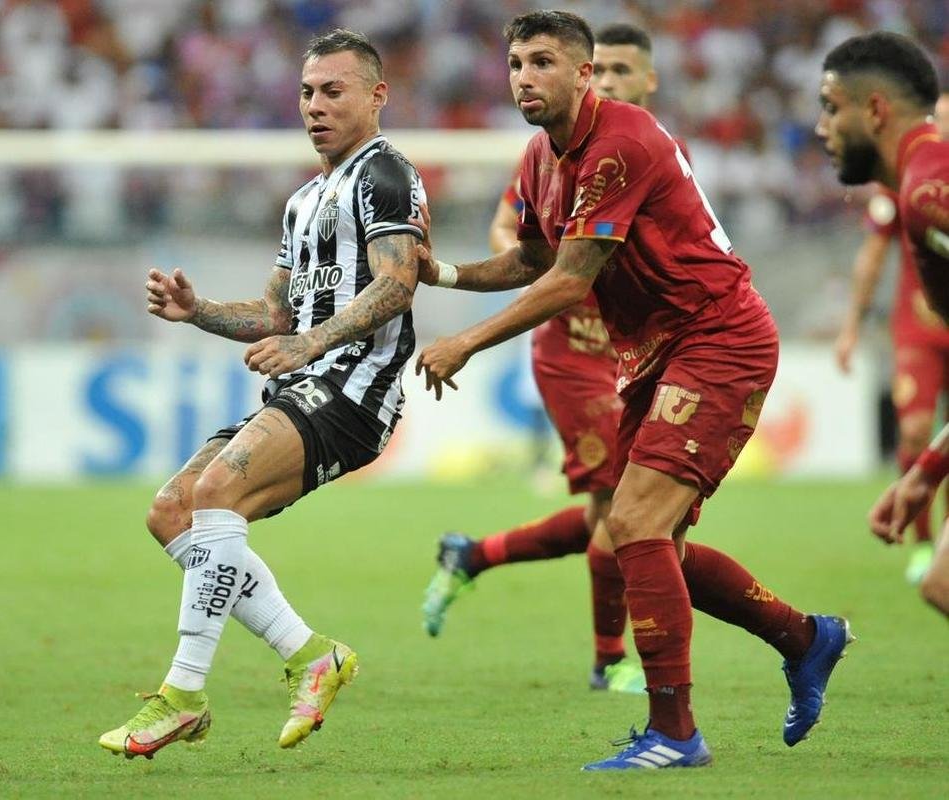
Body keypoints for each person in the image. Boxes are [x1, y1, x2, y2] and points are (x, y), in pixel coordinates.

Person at [414, 10, 851, 770]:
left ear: (584, 72)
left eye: (543, 61)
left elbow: (570, 280)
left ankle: (675, 732)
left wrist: (465, 342)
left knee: (634, 523)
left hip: (717, 336)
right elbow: (532, 258)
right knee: (648, 543)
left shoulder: (621, 142)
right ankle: (805, 637)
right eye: (516, 63)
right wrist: (445, 274)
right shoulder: (538, 156)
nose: (524, 77)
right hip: (654, 354)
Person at [98, 29, 426, 760]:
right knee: (172, 511)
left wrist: (312, 344)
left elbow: (398, 283)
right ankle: (312, 655)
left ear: (376, 96)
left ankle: (182, 696)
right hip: (301, 383)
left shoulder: (385, 175)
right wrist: (199, 311)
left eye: (333, 90)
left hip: (354, 390)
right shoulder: (304, 200)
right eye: (307, 92)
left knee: (217, 492)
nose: (315, 105)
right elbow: (277, 314)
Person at [422, 23, 671, 697]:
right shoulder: (546, 154)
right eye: (516, 64)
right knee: (624, 508)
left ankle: (472, 555)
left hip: (634, 348)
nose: (610, 80)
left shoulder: (647, 149)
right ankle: (609, 659)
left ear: (645, 80)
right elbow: (520, 239)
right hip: (572, 348)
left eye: (621, 70)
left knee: (619, 513)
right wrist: (462, 277)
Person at [815, 32, 949, 617]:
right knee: (940, 582)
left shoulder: (931, 193)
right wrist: (926, 474)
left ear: (874, 110)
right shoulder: (917, 188)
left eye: (831, 108)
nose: (822, 128)